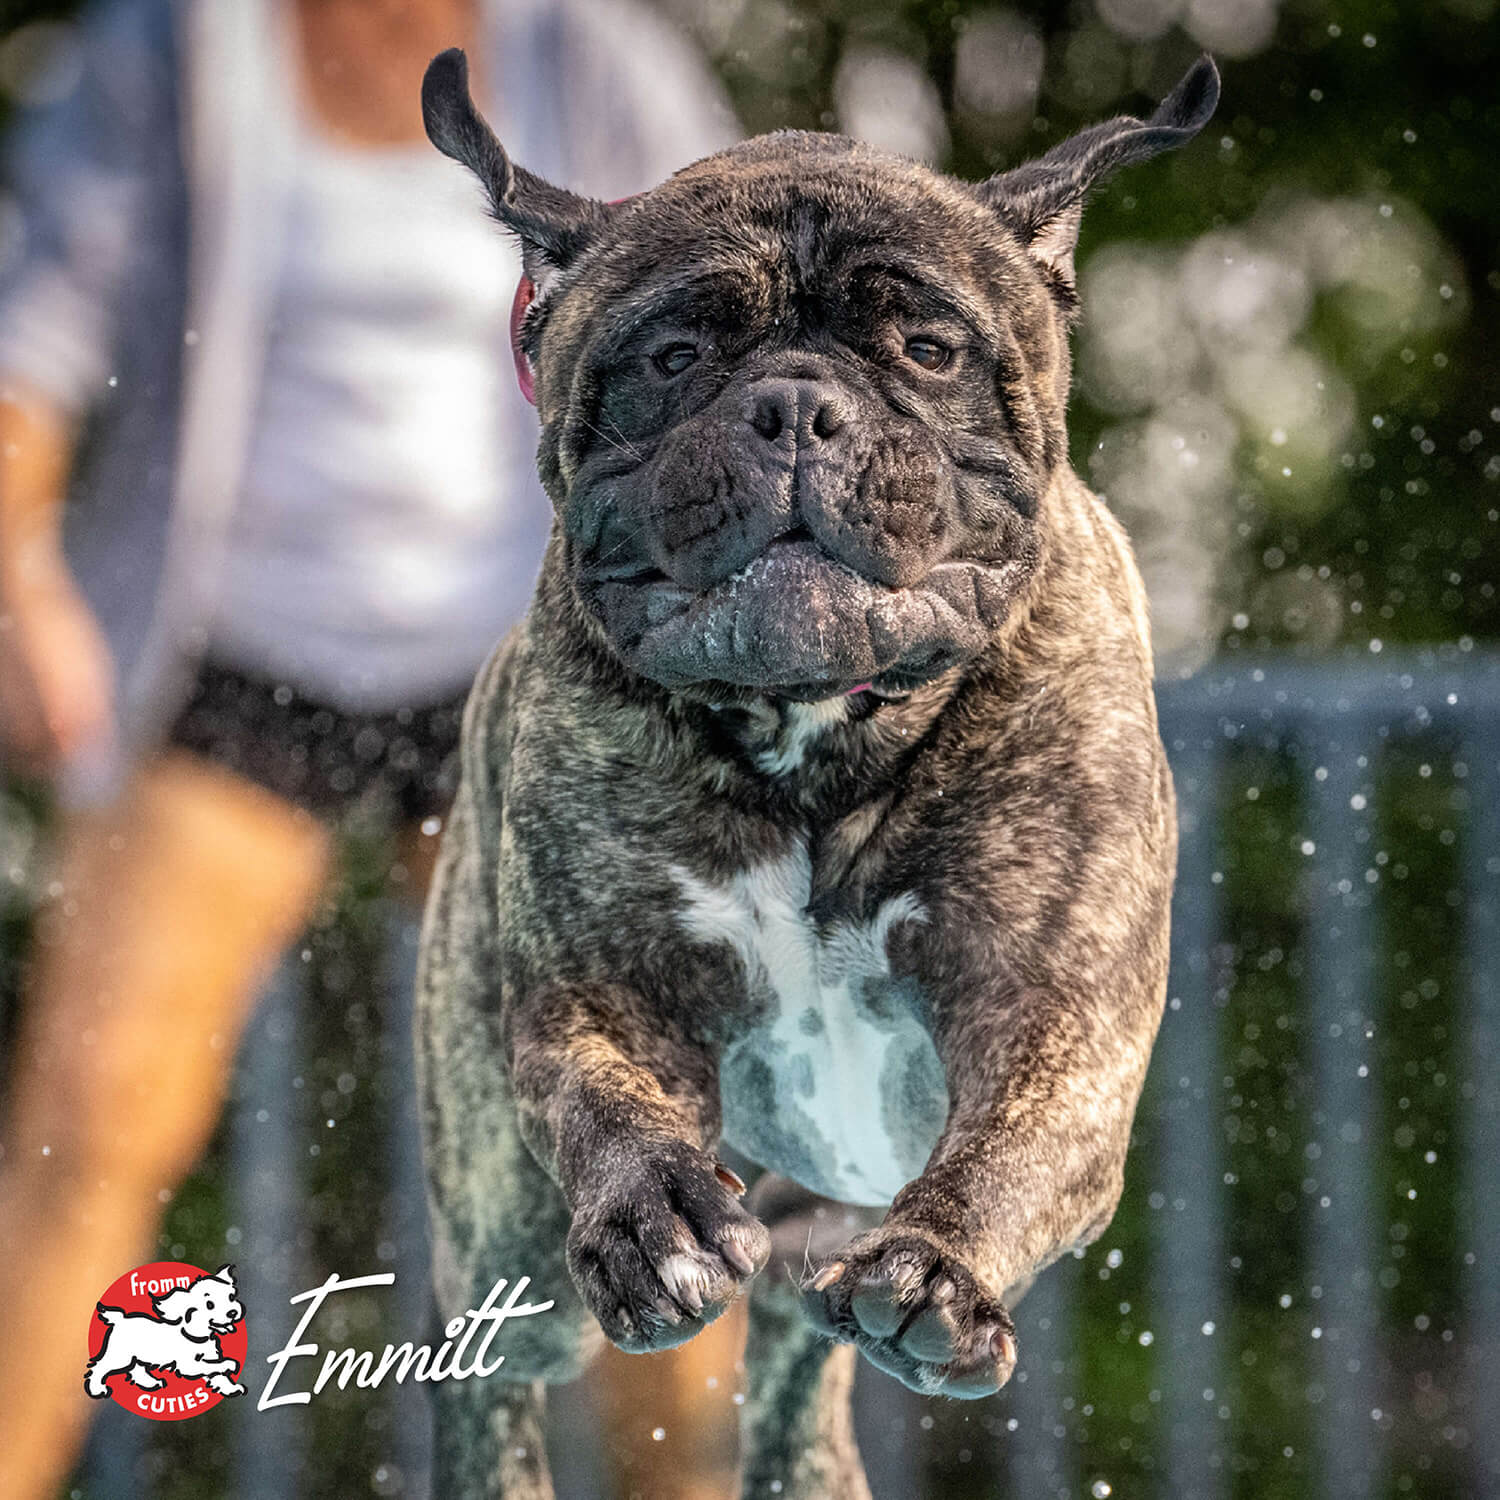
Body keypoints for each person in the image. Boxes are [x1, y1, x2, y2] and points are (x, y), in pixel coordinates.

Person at [0, 1, 737, 1494]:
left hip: (523, 671)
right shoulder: (168, 56)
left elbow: (755, 314)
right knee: (88, 1127)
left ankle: (703, 1482)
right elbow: (31, 343)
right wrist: (17, 573)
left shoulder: (590, 63)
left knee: (641, 1134)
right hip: (226, 661)